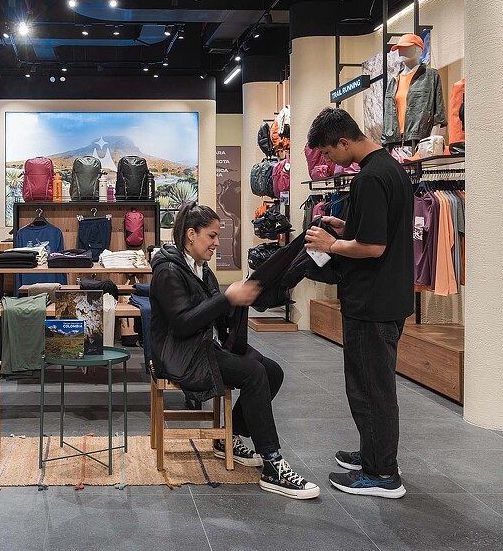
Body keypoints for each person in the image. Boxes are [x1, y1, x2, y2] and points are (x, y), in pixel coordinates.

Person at [150, 202, 319, 500]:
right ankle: (272, 464)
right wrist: (227, 298)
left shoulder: (201, 269)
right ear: (191, 234)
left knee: (272, 372)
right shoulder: (168, 271)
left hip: (200, 346)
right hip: (178, 353)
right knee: (254, 373)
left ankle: (228, 437)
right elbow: (182, 324)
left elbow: (212, 313)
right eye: (212, 236)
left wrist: (242, 298)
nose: (217, 243)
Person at [305, 107, 413, 499]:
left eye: (328, 153)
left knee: (370, 389)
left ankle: (381, 473)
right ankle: (373, 454)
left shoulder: (369, 178)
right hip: (388, 297)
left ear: (343, 142)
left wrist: (330, 244)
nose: (330, 161)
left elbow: (373, 247)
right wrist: (345, 228)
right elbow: (378, 232)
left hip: (372, 302)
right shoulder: (392, 169)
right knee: (373, 385)